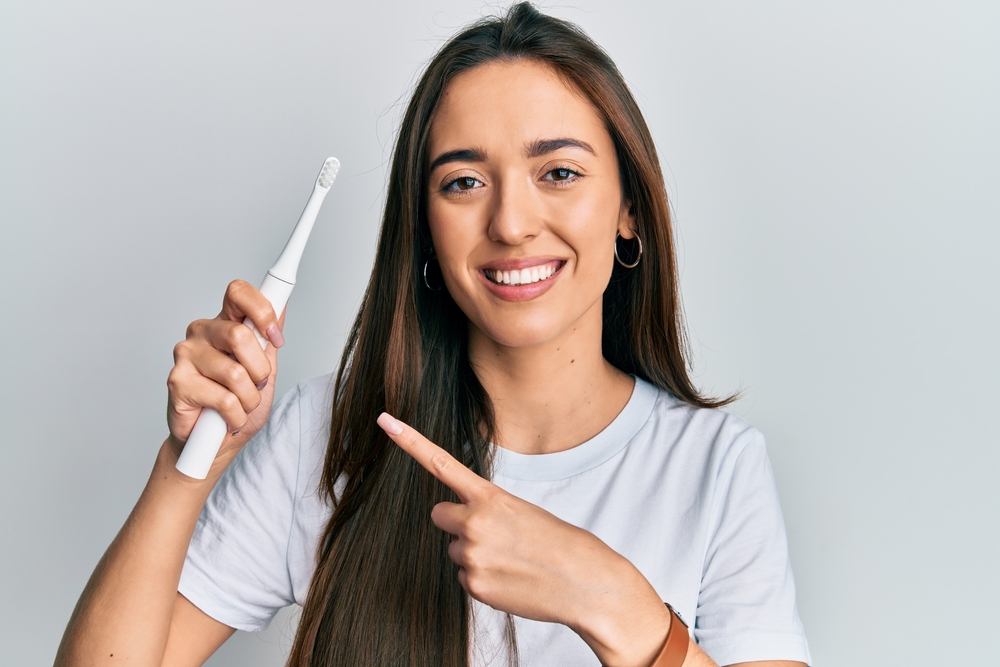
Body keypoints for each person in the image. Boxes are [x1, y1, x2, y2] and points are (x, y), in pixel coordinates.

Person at [55, 4, 811, 666]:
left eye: (559, 173)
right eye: (463, 182)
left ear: (629, 210)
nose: (511, 223)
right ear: (423, 228)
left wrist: (612, 600)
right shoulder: (329, 435)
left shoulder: (717, 469)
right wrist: (188, 464)